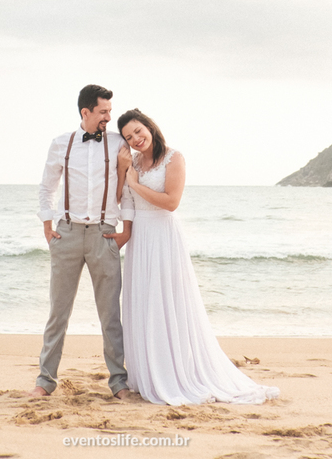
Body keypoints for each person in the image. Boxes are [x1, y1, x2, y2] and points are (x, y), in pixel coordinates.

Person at [117, 108, 279, 405]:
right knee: (144, 303)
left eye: (138, 131)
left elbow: (171, 202)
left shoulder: (173, 158)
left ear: (150, 127)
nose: (136, 139)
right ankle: (149, 373)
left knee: (169, 303)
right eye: (129, 137)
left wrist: (136, 184)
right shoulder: (134, 163)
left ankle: (176, 373)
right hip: (140, 239)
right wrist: (123, 184)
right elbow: (124, 200)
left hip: (164, 236)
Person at [31, 84, 135, 399]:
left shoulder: (118, 143)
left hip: (104, 234)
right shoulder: (61, 143)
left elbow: (127, 188)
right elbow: (47, 186)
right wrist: (47, 225)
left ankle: (118, 381)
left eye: (110, 111)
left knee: (110, 315)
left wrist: (126, 230)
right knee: (58, 313)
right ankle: (45, 381)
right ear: (85, 112)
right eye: (103, 112)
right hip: (67, 233)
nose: (109, 117)